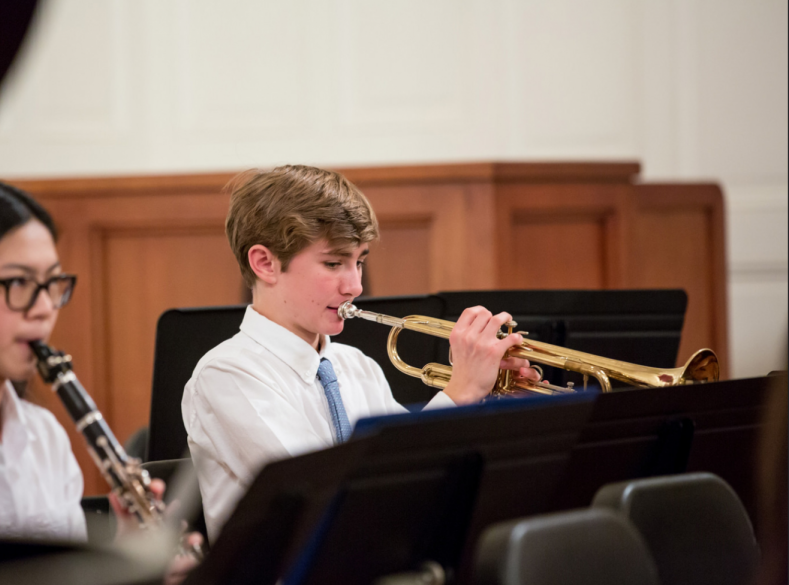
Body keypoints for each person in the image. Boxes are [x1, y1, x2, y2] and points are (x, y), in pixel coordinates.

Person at [182, 165, 540, 538]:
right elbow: (325, 502)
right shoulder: (226, 375)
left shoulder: (357, 366)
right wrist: (459, 392)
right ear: (265, 263)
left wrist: (494, 406)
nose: (355, 285)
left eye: (360, 262)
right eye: (334, 263)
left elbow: (417, 484)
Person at [0, 177, 201, 582]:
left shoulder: (44, 436)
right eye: (17, 282)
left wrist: (129, 561)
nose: (42, 309)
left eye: (52, 283)